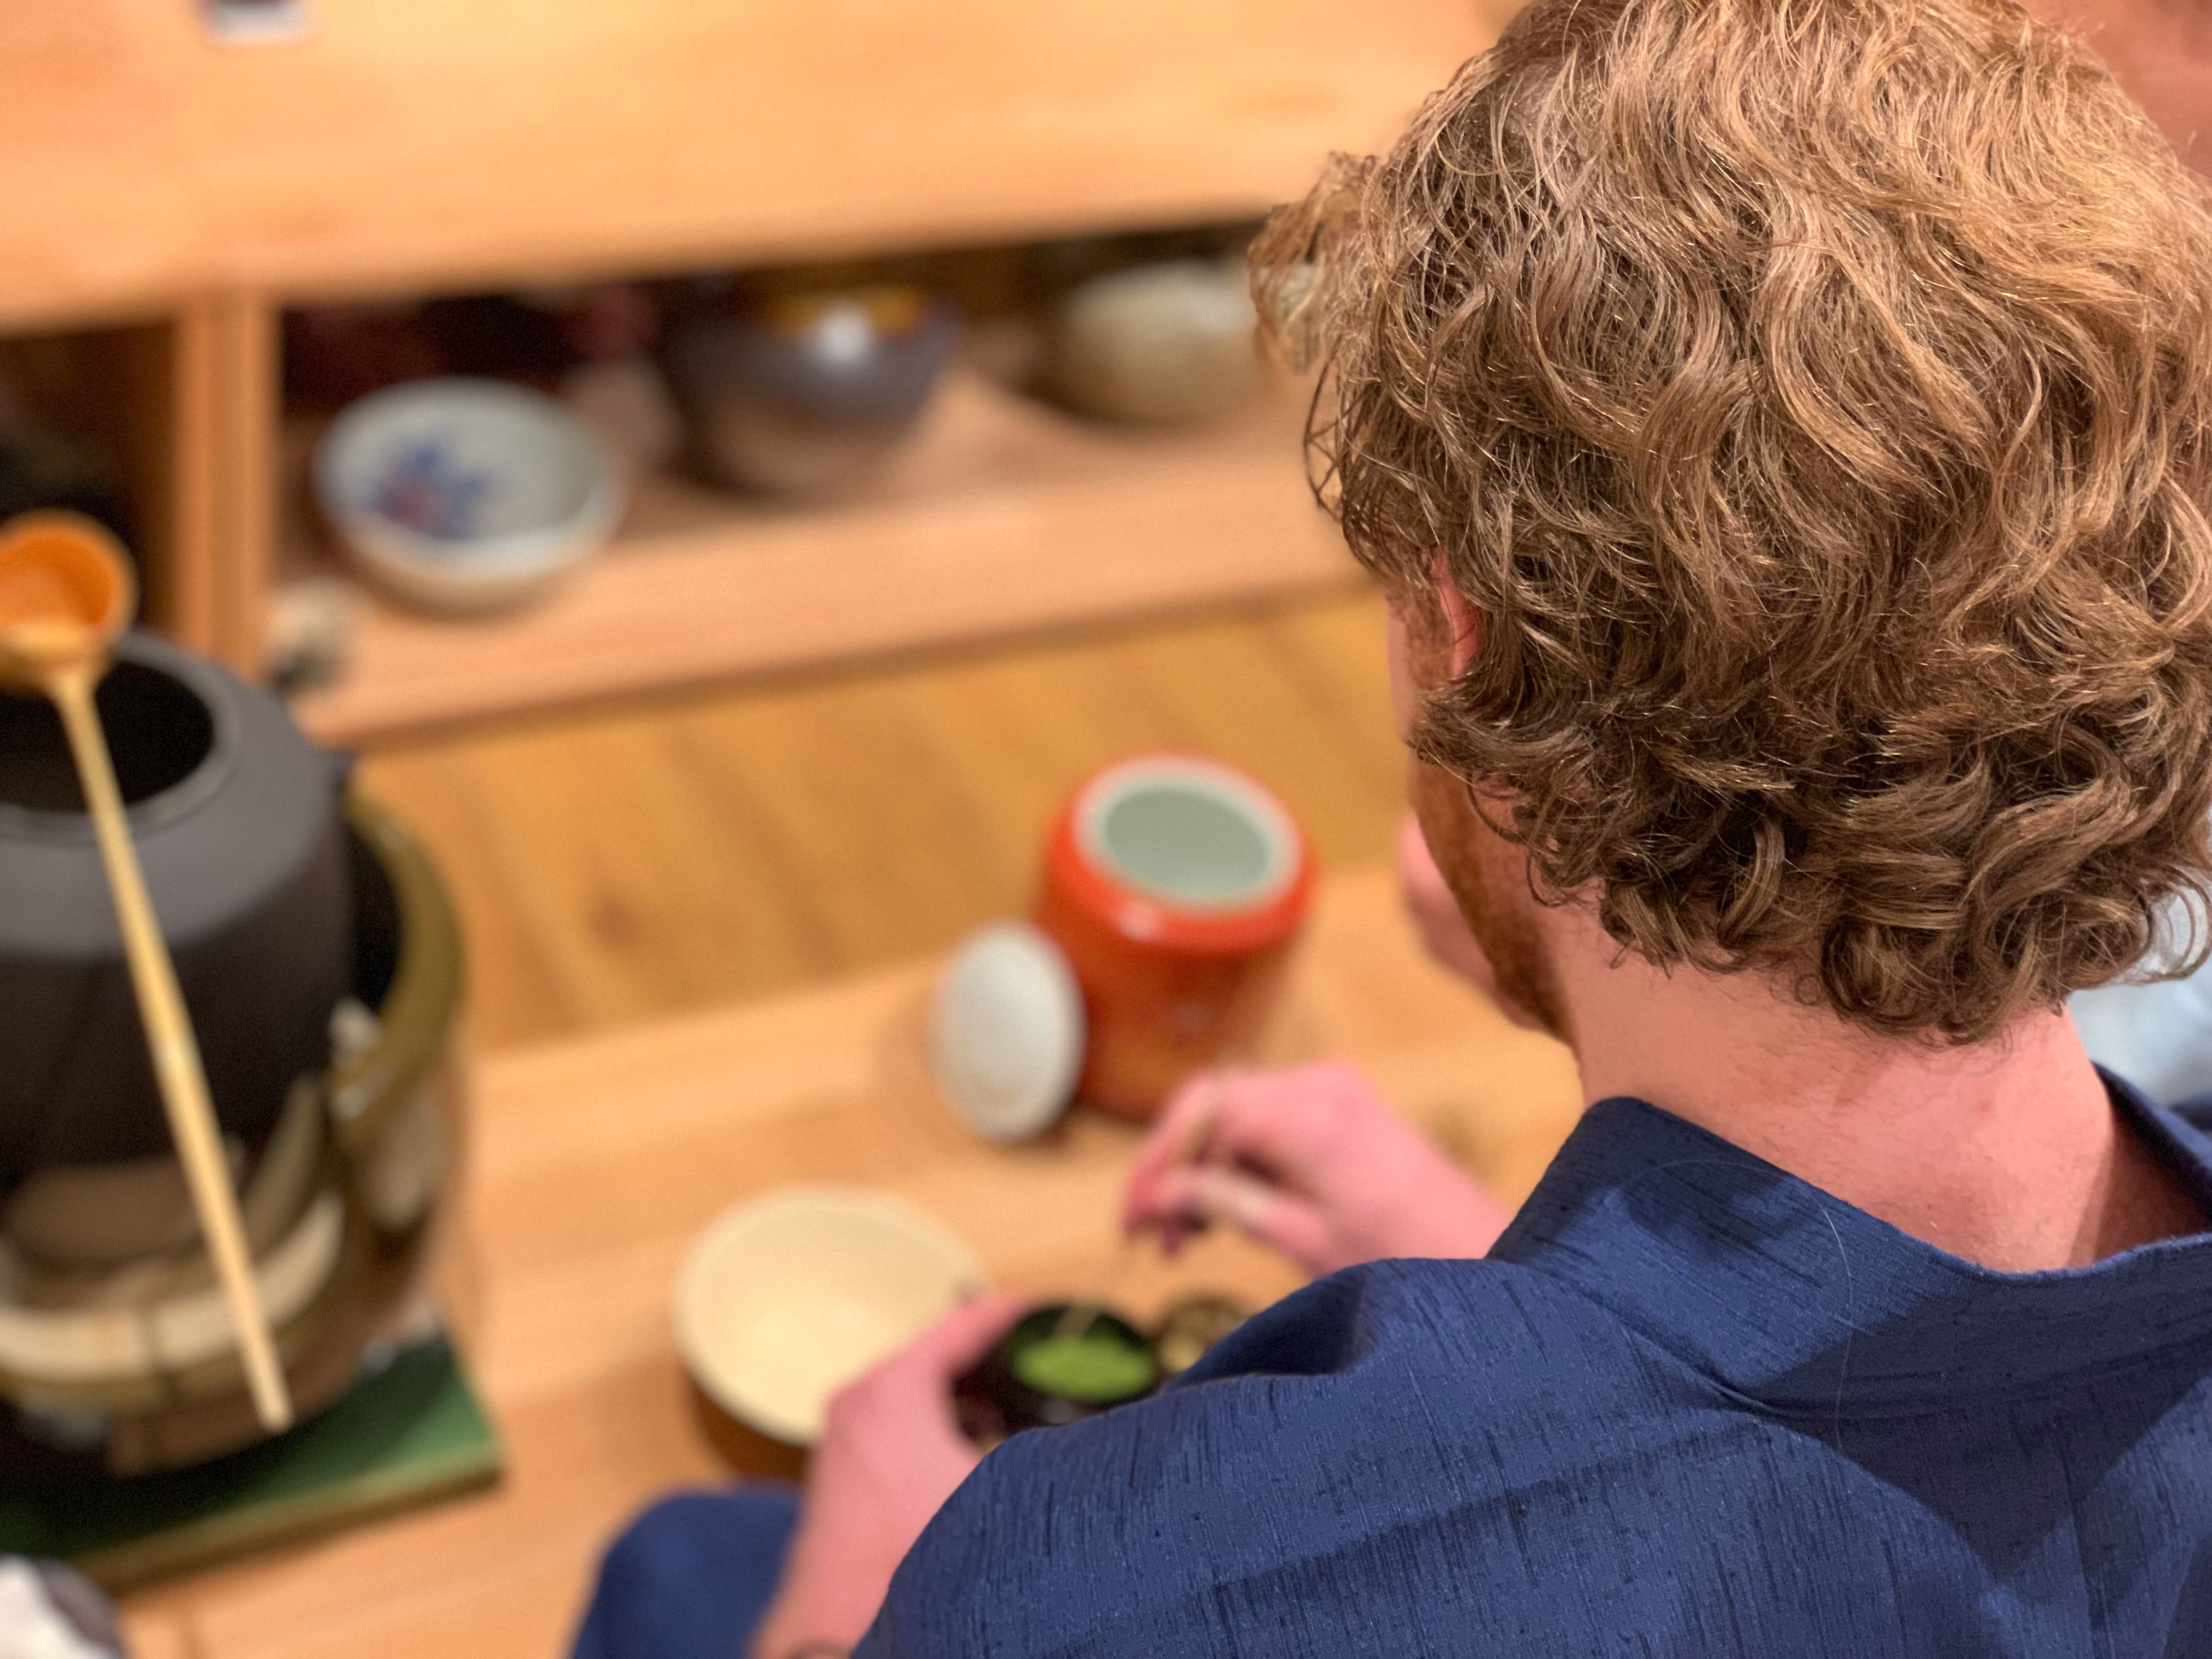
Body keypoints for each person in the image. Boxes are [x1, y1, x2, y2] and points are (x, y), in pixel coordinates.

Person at [574, 0, 2212, 1652]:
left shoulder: (1099, 1593)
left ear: (1467, 634)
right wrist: (1522, 1281)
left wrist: (850, 1613)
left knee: (675, 1571)